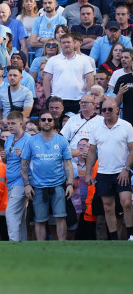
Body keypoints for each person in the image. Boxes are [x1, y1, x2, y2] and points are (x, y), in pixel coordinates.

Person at [20, 112, 74, 241]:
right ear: (39, 122)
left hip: (58, 185)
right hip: (38, 186)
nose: (46, 122)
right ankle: (40, 248)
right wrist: (27, 185)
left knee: (61, 217)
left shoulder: (61, 140)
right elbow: (23, 165)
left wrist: (70, 184)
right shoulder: (31, 141)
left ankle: (62, 246)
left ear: (53, 122)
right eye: (43, 119)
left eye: (49, 119)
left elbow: (68, 164)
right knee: (39, 220)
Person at [86, 99, 133, 240]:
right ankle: (113, 238)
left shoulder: (126, 126)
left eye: (110, 109)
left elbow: (132, 150)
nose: (106, 112)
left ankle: (131, 235)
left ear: (117, 109)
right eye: (104, 109)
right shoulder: (97, 128)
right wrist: (88, 173)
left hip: (121, 171)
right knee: (107, 206)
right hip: (103, 172)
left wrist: (126, 168)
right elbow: (92, 152)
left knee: (127, 202)